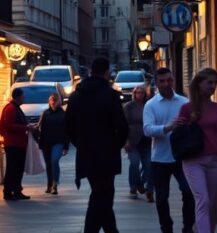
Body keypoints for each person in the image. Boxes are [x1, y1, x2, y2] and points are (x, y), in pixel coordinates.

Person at [65, 57, 129, 233]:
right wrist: (115, 145)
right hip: (107, 154)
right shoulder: (109, 95)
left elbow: (68, 127)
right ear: (106, 71)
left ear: (91, 71)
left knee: (100, 194)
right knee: (103, 196)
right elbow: (122, 127)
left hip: (86, 152)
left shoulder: (76, 95)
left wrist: (81, 143)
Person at [177, 68, 217, 233]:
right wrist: (190, 122)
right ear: (198, 84)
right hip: (193, 160)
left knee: (212, 204)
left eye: (215, 83)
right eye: (209, 82)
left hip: (215, 161)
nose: (213, 86)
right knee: (202, 199)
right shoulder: (186, 108)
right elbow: (179, 136)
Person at [143, 67, 196, 233]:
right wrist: (168, 127)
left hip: (182, 157)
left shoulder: (184, 102)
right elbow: (147, 129)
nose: (166, 84)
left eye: (169, 80)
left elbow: (193, 127)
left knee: (188, 192)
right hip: (160, 158)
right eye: (162, 81)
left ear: (173, 80)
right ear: (156, 84)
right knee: (161, 198)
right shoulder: (150, 105)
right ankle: (166, 227)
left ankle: (188, 226)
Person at [0, 87, 37, 201]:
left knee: (18, 168)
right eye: (23, 96)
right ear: (18, 97)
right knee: (12, 168)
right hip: (13, 144)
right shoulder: (10, 108)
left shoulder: (15, 108)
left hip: (18, 143)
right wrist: (26, 127)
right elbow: (8, 125)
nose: (24, 98)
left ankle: (17, 190)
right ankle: (8, 192)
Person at [123, 85, 154, 202]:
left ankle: (140, 182)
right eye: (138, 93)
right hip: (132, 141)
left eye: (142, 93)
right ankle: (133, 187)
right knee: (134, 163)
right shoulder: (128, 107)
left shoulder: (148, 106)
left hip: (147, 140)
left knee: (149, 165)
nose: (140, 95)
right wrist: (125, 141)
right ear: (134, 94)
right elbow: (123, 126)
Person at [36, 92, 69, 194]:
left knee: (54, 160)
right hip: (46, 142)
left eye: (55, 100)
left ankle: (55, 183)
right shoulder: (45, 114)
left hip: (58, 142)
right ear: (49, 102)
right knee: (48, 164)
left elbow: (67, 131)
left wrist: (66, 146)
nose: (53, 102)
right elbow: (40, 128)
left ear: (59, 102)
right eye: (51, 100)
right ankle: (49, 185)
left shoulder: (63, 114)